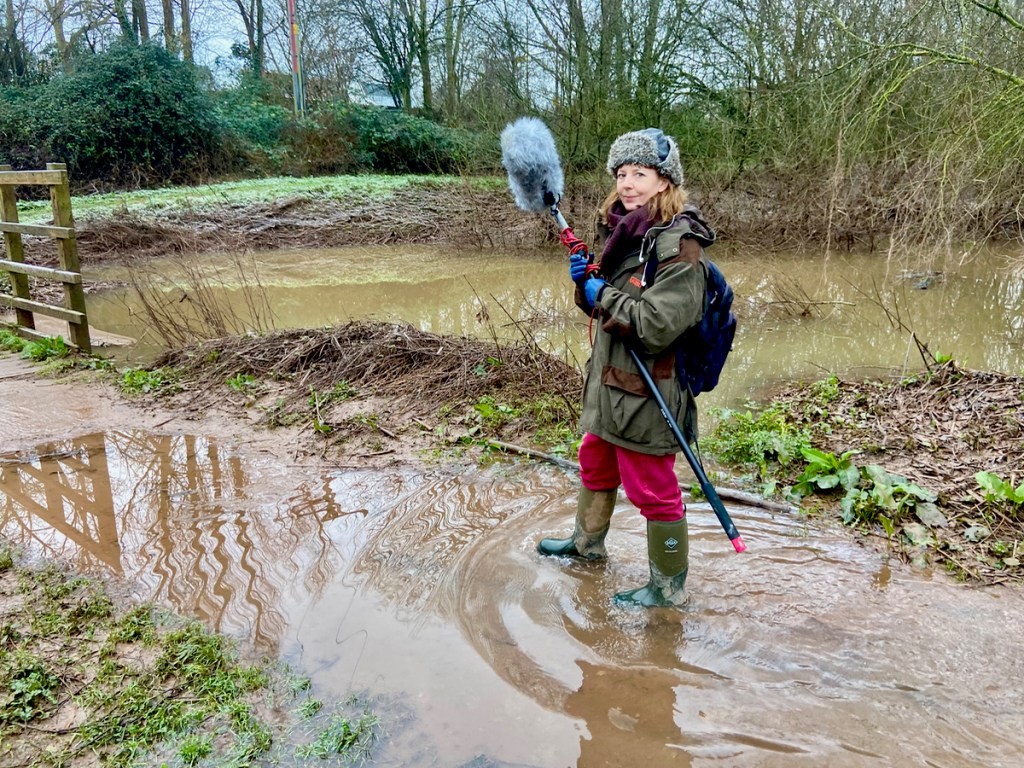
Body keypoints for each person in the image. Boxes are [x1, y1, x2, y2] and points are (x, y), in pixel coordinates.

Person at [537, 127, 716, 608]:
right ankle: (586, 545)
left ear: (664, 181)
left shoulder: (680, 247)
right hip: (609, 382)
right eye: (621, 174)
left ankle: (667, 588)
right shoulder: (623, 234)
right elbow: (606, 309)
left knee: (653, 489)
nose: (628, 183)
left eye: (640, 173)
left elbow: (655, 325)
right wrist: (586, 287)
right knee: (594, 462)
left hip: (649, 390)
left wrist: (604, 296)